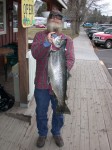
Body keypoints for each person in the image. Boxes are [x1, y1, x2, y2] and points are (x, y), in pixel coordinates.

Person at [31, 10, 75, 148]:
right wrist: (46, 43)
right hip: (41, 83)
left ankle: (56, 132)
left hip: (59, 83)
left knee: (59, 112)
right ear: (48, 20)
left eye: (58, 19)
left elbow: (71, 59)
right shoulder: (39, 36)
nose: (55, 20)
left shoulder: (67, 40)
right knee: (40, 112)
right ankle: (42, 134)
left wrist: (62, 69)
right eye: (53, 18)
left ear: (61, 23)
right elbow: (35, 54)